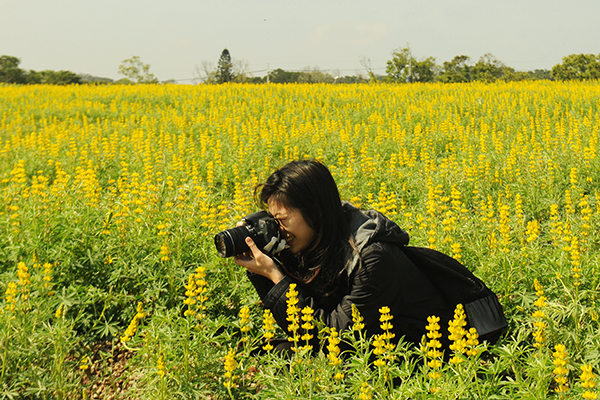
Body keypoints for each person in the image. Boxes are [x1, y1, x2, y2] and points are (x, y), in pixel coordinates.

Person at [234, 159, 456, 349]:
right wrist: (265, 270)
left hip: (420, 349)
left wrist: (277, 277)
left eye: (281, 220)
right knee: (271, 350)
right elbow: (302, 328)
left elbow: (335, 337)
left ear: (315, 212)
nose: (277, 229)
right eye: (273, 220)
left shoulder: (372, 258)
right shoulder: (314, 241)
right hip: (369, 342)